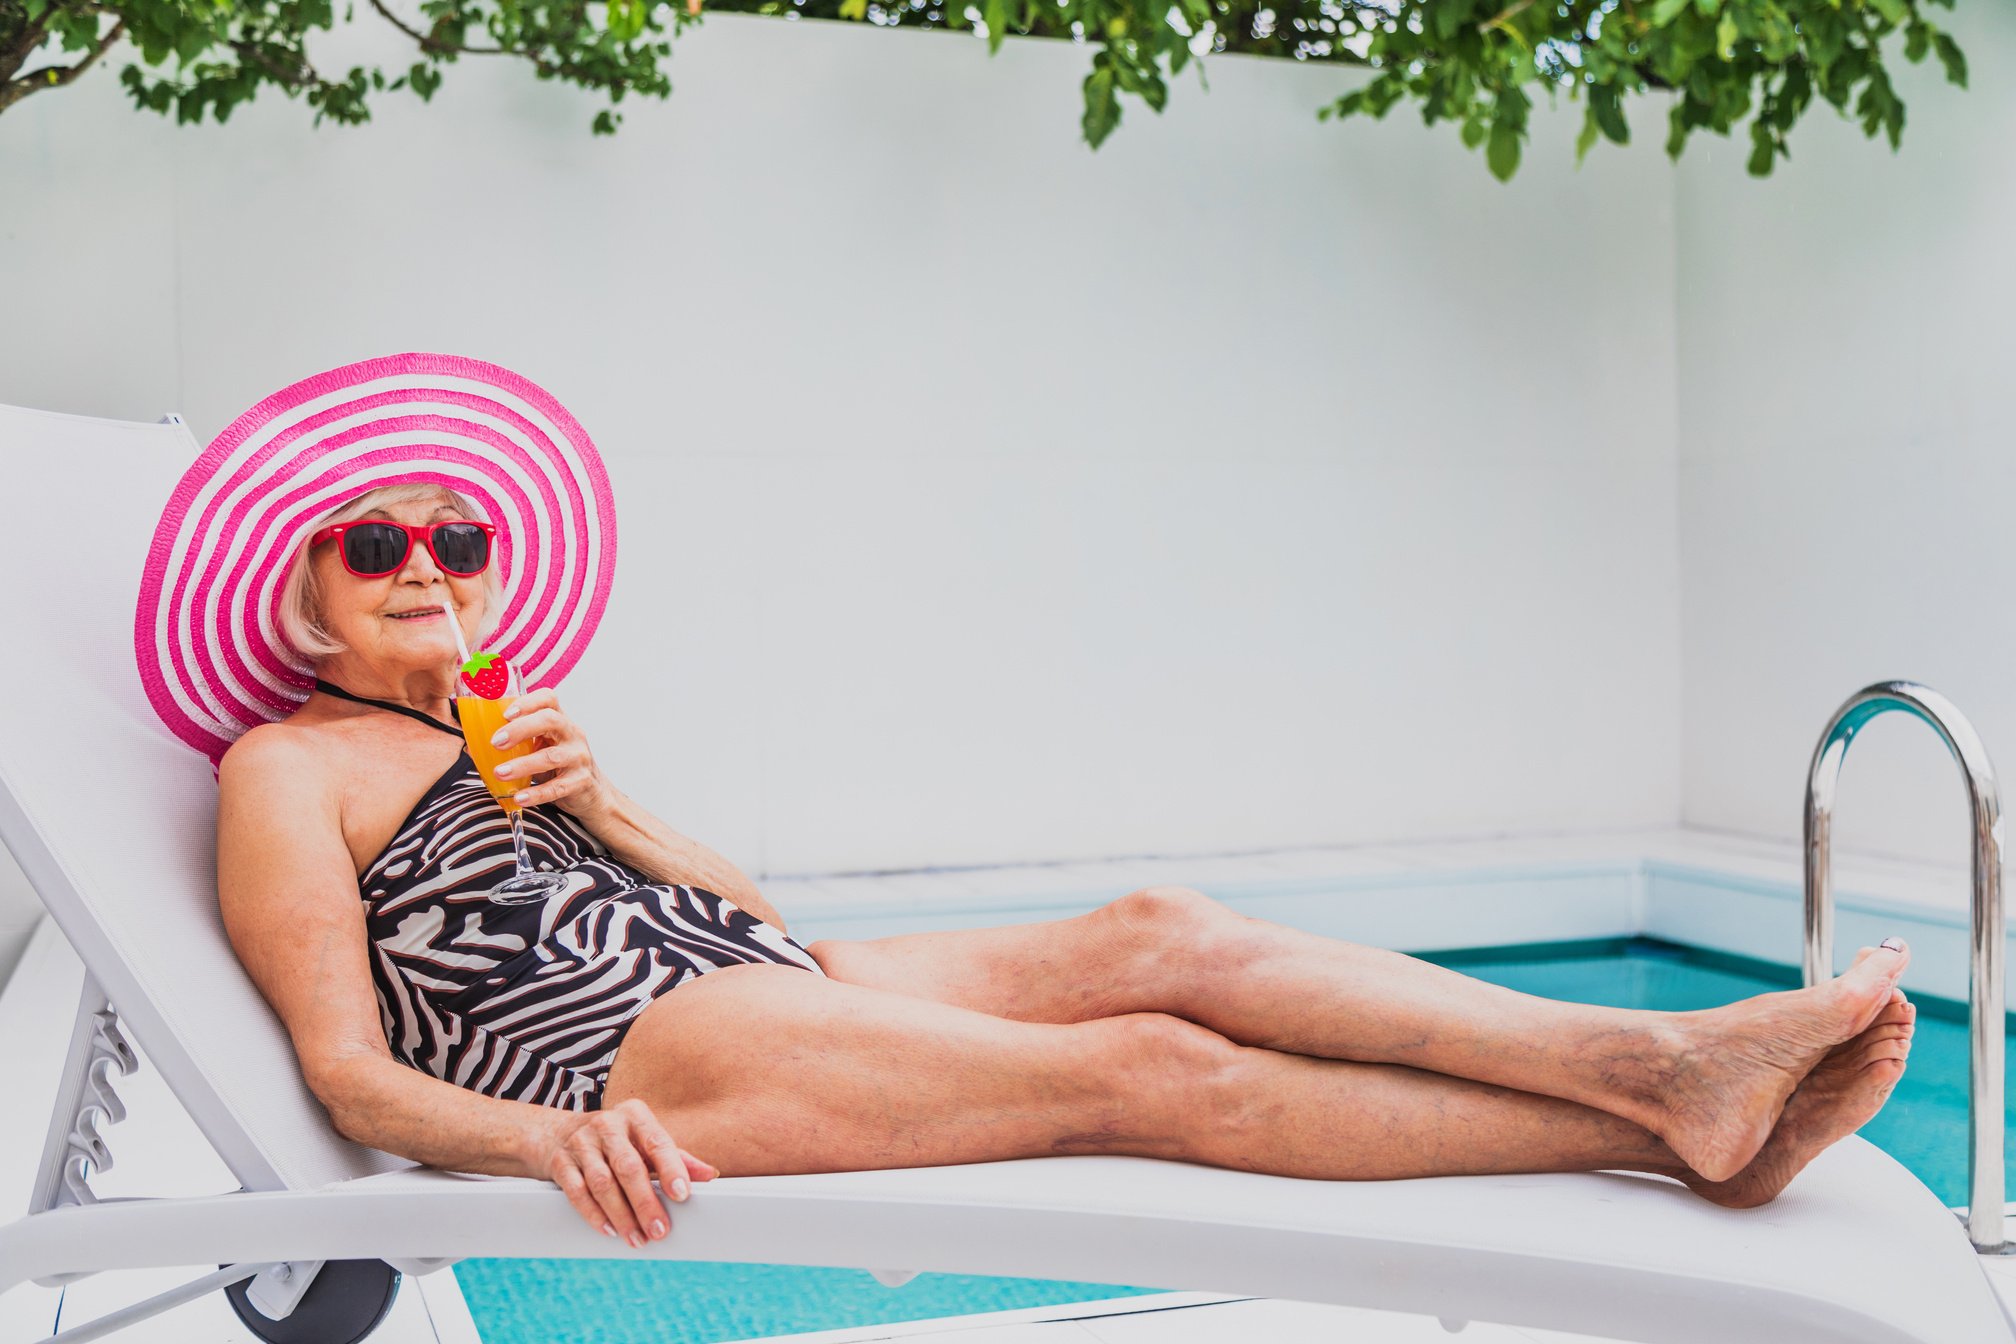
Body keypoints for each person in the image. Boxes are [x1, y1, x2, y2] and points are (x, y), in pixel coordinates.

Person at [211, 480, 1917, 1252]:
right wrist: (554, 1135)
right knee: (1153, 1074)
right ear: (303, 593)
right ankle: (1660, 1101)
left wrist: (618, 806)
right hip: (631, 1057)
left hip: (751, 976)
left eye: (455, 540)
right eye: (374, 544)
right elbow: (348, 1068)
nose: (423, 564)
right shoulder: (286, 767)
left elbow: (751, 912)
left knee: (1160, 933)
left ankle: (1674, 1088)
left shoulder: (520, 728)